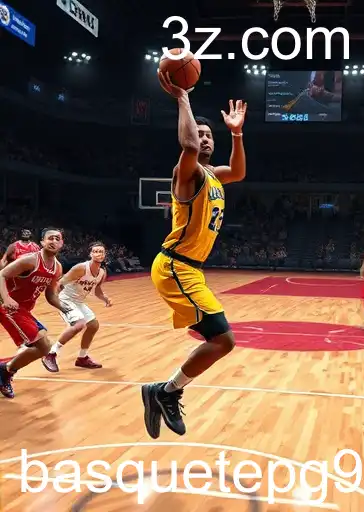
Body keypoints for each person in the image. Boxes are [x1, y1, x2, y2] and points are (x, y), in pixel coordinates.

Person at [141, 70, 247, 439]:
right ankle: (166, 392)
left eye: (209, 135)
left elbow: (238, 171)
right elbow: (186, 147)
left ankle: (165, 392)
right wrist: (183, 97)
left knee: (222, 340)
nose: (203, 139)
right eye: (199, 134)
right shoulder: (187, 173)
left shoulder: (214, 174)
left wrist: (236, 133)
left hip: (189, 270)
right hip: (175, 266)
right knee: (224, 340)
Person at [0, 228, 72, 398]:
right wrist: (7, 299)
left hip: (24, 310)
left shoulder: (57, 268)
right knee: (41, 344)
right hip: (8, 306)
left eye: (57, 238)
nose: (54, 241)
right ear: (42, 242)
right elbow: (1, 274)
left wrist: (65, 308)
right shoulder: (30, 260)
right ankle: (5, 371)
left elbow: (50, 295)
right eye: (50, 238)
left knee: (44, 348)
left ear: (62, 244)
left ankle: (5, 369)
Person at [42, 242, 112, 373]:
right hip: (65, 299)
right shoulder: (81, 268)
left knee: (93, 325)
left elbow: (97, 290)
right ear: (90, 254)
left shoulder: (102, 272)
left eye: (101, 251)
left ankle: (82, 358)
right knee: (79, 324)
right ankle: (51, 354)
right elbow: (60, 283)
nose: (98, 254)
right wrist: (56, 301)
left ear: (104, 255)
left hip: (78, 302)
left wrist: (105, 299)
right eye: (95, 251)